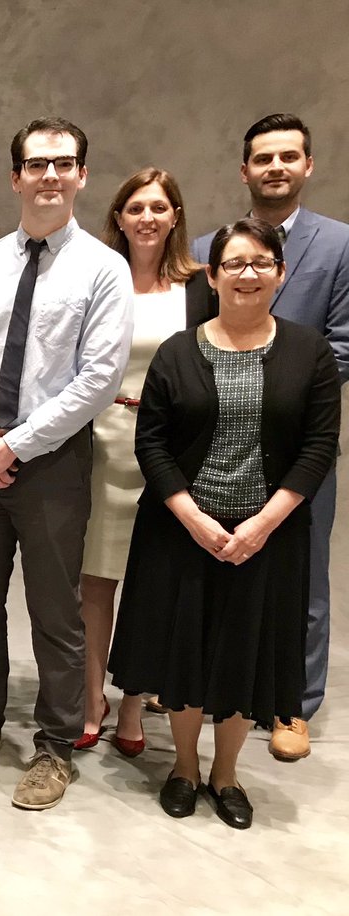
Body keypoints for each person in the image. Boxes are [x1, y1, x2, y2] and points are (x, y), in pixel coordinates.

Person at [0, 118, 132, 810]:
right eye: (35, 164)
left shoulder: (103, 268)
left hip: (50, 466)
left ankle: (56, 746)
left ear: (81, 176)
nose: (48, 175)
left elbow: (97, 379)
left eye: (63, 163)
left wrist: (16, 445)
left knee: (54, 613)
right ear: (14, 178)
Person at [110, 218, 340, 829]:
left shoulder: (308, 352)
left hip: (267, 537)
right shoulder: (177, 352)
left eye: (260, 262)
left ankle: (226, 773)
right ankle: (184, 766)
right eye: (233, 263)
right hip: (182, 534)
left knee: (244, 654)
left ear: (280, 273)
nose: (247, 274)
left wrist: (262, 525)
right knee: (185, 656)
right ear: (211, 277)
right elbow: (151, 443)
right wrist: (192, 517)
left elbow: (319, 446)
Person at [192, 114, 349, 762]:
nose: (276, 167)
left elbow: (344, 343)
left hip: (298, 442)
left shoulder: (341, 246)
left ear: (307, 165)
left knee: (303, 575)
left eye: (289, 157)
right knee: (211, 563)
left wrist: (272, 385)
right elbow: (191, 348)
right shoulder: (207, 246)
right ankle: (208, 685)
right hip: (214, 445)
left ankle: (292, 704)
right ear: (245, 169)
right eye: (264, 158)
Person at [75, 168, 214, 756]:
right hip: (98, 443)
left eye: (159, 207)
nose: (148, 218)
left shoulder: (200, 287)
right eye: (136, 208)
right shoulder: (95, 280)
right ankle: (89, 697)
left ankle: (132, 701)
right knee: (94, 580)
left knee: (148, 579)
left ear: (175, 216)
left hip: (168, 448)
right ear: (119, 218)